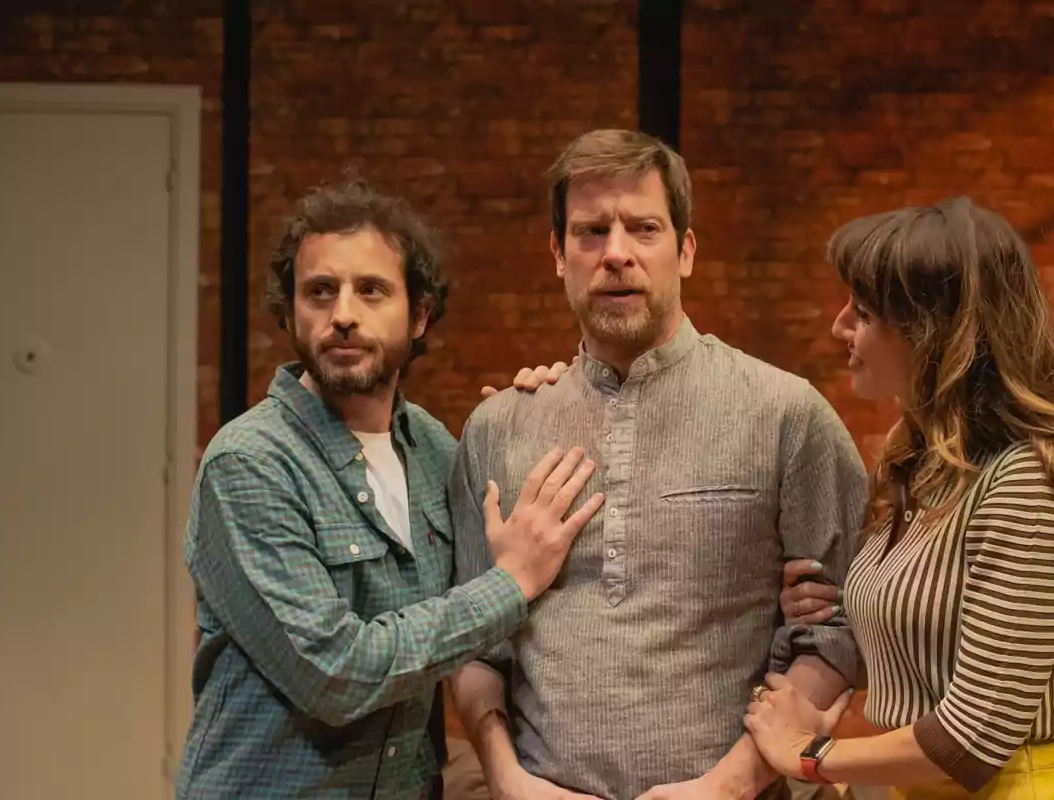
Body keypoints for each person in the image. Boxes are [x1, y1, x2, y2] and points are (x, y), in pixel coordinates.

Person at [448, 128, 868, 800]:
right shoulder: (499, 428)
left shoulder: (788, 416)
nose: (616, 253)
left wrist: (727, 787)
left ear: (687, 250)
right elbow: (470, 642)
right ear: (558, 254)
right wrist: (506, 779)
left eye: (643, 228)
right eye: (590, 232)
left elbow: (837, 636)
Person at [175, 180, 604, 799]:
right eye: (320, 291)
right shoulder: (250, 463)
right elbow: (334, 675)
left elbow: (506, 574)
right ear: (291, 313)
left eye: (371, 290)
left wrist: (539, 416)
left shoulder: (433, 448)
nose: (342, 313)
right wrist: (509, 585)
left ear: (419, 314)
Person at [745, 197, 1054, 798]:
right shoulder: (925, 470)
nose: (839, 326)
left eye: (864, 312)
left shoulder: (1026, 484)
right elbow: (924, 666)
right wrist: (836, 609)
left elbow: (969, 744)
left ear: (936, 335)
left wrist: (811, 754)